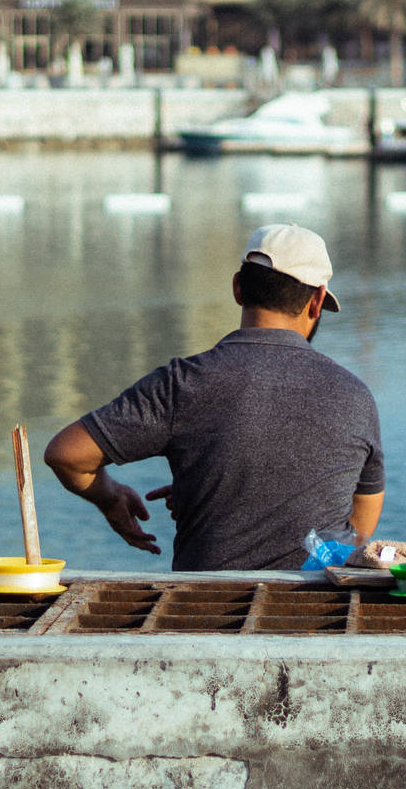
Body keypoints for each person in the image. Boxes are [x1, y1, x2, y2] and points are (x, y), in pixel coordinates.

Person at [42, 224, 384, 571]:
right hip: (316, 614)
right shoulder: (356, 396)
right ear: (317, 301)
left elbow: (66, 455)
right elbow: (359, 532)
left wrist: (111, 497)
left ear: (238, 287)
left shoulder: (183, 382)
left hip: (204, 611)